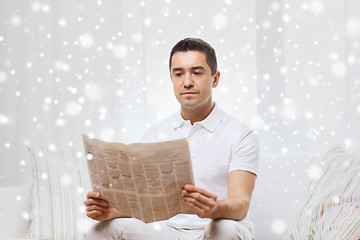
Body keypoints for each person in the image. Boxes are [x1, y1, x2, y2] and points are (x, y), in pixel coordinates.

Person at [84, 38, 259, 240]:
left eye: (197, 72)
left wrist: (215, 208)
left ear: (215, 78)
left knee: (225, 229)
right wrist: (108, 211)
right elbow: (144, 205)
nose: (187, 82)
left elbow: (241, 204)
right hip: (167, 232)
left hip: (215, 228)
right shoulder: (156, 134)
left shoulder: (240, 134)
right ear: (172, 79)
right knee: (101, 229)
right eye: (179, 73)